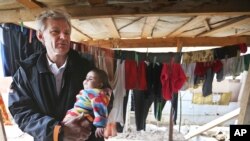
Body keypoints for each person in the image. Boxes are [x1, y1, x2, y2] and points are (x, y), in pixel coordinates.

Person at [8, 9, 96, 141]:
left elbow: (104, 97)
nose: (64, 37)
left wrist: (84, 123)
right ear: (40, 36)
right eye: (55, 32)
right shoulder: (26, 71)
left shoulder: (86, 67)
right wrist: (58, 131)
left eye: (67, 33)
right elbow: (21, 111)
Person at [63, 68, 112, 139]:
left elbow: (100, 107)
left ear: (99, 85)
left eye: (90, 79)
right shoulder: (89, 92)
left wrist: (100, 125)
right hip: (77, 114)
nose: (86, 81)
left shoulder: (98, 94)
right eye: (86, 78)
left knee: (73, 134)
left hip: (82, 116)